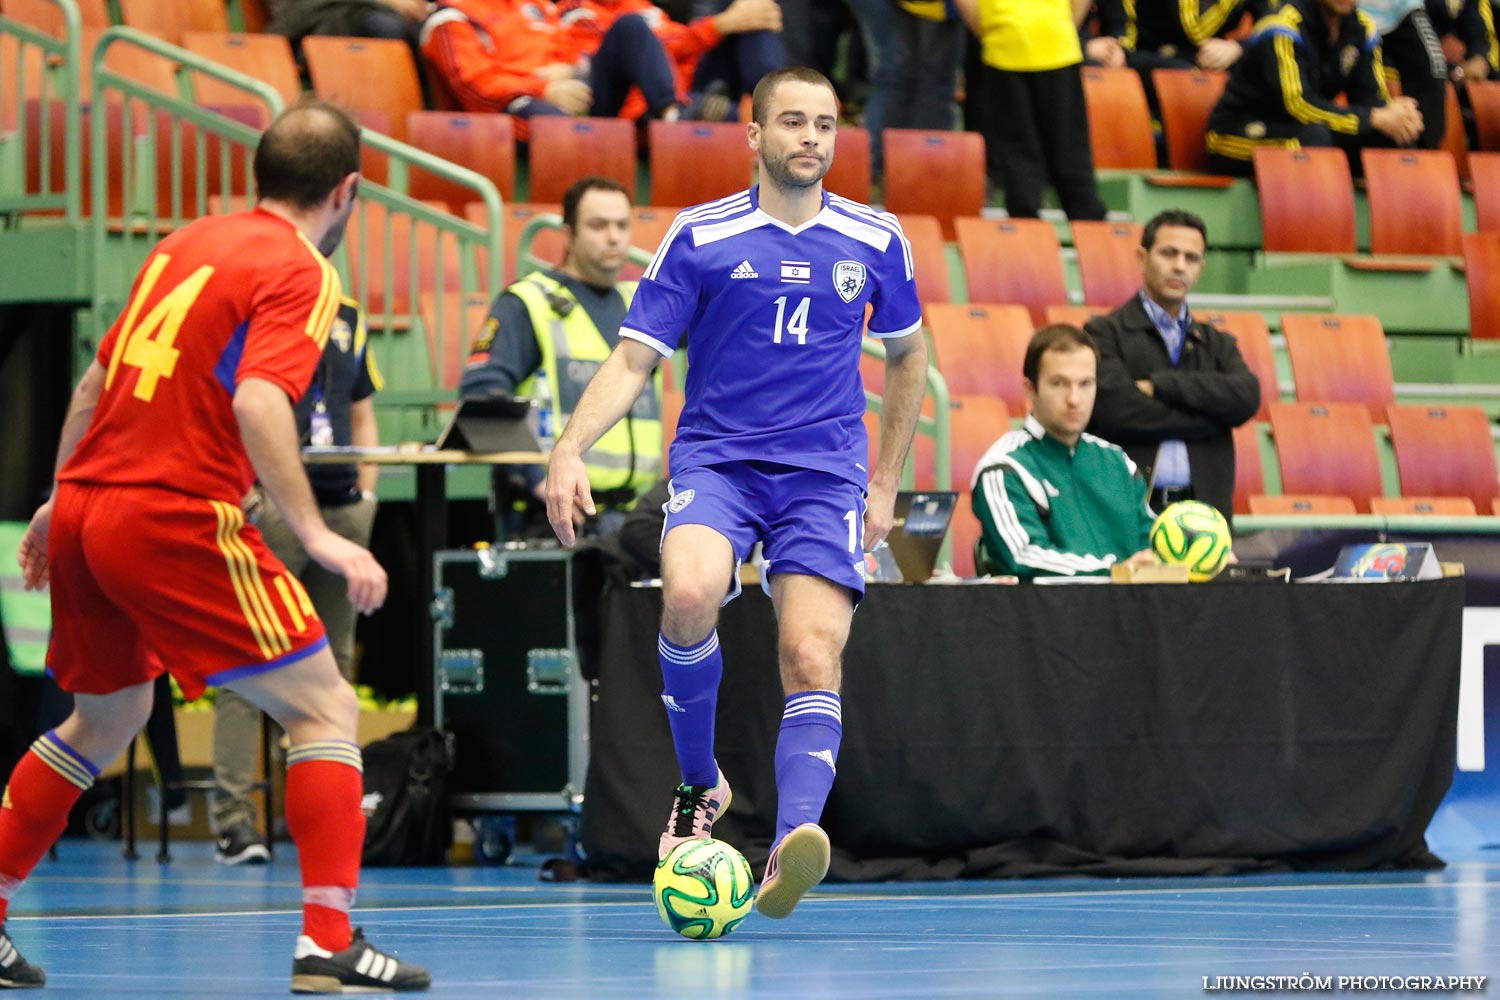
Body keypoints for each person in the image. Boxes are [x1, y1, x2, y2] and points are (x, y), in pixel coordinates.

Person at [7, 101, 429, 994]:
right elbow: (259, 401)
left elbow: (98, 376)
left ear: (260, 174)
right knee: (325, 711)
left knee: (105, 720)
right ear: (348, 191)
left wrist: (58, 495)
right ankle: (327, 940)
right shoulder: (304, 271)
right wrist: (318, 533)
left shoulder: (183, 242)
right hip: (171, 515)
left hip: (91, 506)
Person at [543, 66, 927, 919]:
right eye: (793, 123)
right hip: (717, 462)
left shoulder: (875, 238)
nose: (812, 140)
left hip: (823, 471)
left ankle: (792, 844)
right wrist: (571, 448)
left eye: (825, 125)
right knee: (687, 593)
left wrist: (886, 479)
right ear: (753, 135)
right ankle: (698, 783)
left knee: (811, 655)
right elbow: (635, 357)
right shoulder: (700, 234)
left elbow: (909, 357)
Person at [211, 295, 384, 866]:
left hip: (341, 506)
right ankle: (234, 820)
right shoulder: (255, 306)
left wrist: (368, 494)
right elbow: (233, 403)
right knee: (247, 661)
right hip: (275, 510)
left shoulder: (349, 316)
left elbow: (360, 408)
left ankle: (326, 815)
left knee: (335, 663)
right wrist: (247, 494)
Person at [460, 177, 662, 536]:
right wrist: (538, 480)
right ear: (568, 235)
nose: (614, 237)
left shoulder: (642, 304)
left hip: (635, 520)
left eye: (621, 225)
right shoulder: (528, 302)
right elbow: (481, 401)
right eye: (598, 226)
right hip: (553, 518)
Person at [1084, 210, 1260, 517]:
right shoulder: (1103, 333)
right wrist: (1213, 419)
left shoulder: (1217, 343)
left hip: (1204, 513)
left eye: (1191, 258)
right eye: (1169, 253)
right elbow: (1115, 411)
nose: (1180, 266)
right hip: (1126, 512)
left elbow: (1247, 396)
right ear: (1142, 258)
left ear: (1201, 268)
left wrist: (1160, 385)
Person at [971, 324, 1157, 581]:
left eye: (1085, 384)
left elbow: (1153, 542)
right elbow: (1024, 557)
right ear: (1030, 389)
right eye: (1059, 384)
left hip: (1130, 615)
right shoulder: (1005, 467)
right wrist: (1115, 572)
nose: (1074, 399)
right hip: (1048, 617)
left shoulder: (1118, 462)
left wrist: (1197, 557)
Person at [419, 0, 719, 140]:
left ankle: (673, 114)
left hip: (578, 92)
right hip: (518, 108)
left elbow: (575, 47)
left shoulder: (534, 5)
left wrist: (574, 70)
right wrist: (544, 88)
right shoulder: (450, 16)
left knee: (630, 27)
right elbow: (475, 87)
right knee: (559, 127)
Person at [1204, 0, 1425, 176]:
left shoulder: (1362, 28)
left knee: (1394, 137)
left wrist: (1395, 116)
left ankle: (1403, 227)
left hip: (1309, 129)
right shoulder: (1282, 24)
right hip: (1236, 133)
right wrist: (1374, 117)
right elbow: (1299, 105)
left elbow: (1373, 102)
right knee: (1313, 140)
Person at [954, 0, 1109, 221]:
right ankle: (1092, 230)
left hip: (1003, 45)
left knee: (1016, 150)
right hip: (1056, 42)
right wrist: (1063, 26)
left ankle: (1026, 229)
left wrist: (990, 31)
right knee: (1070, 148)